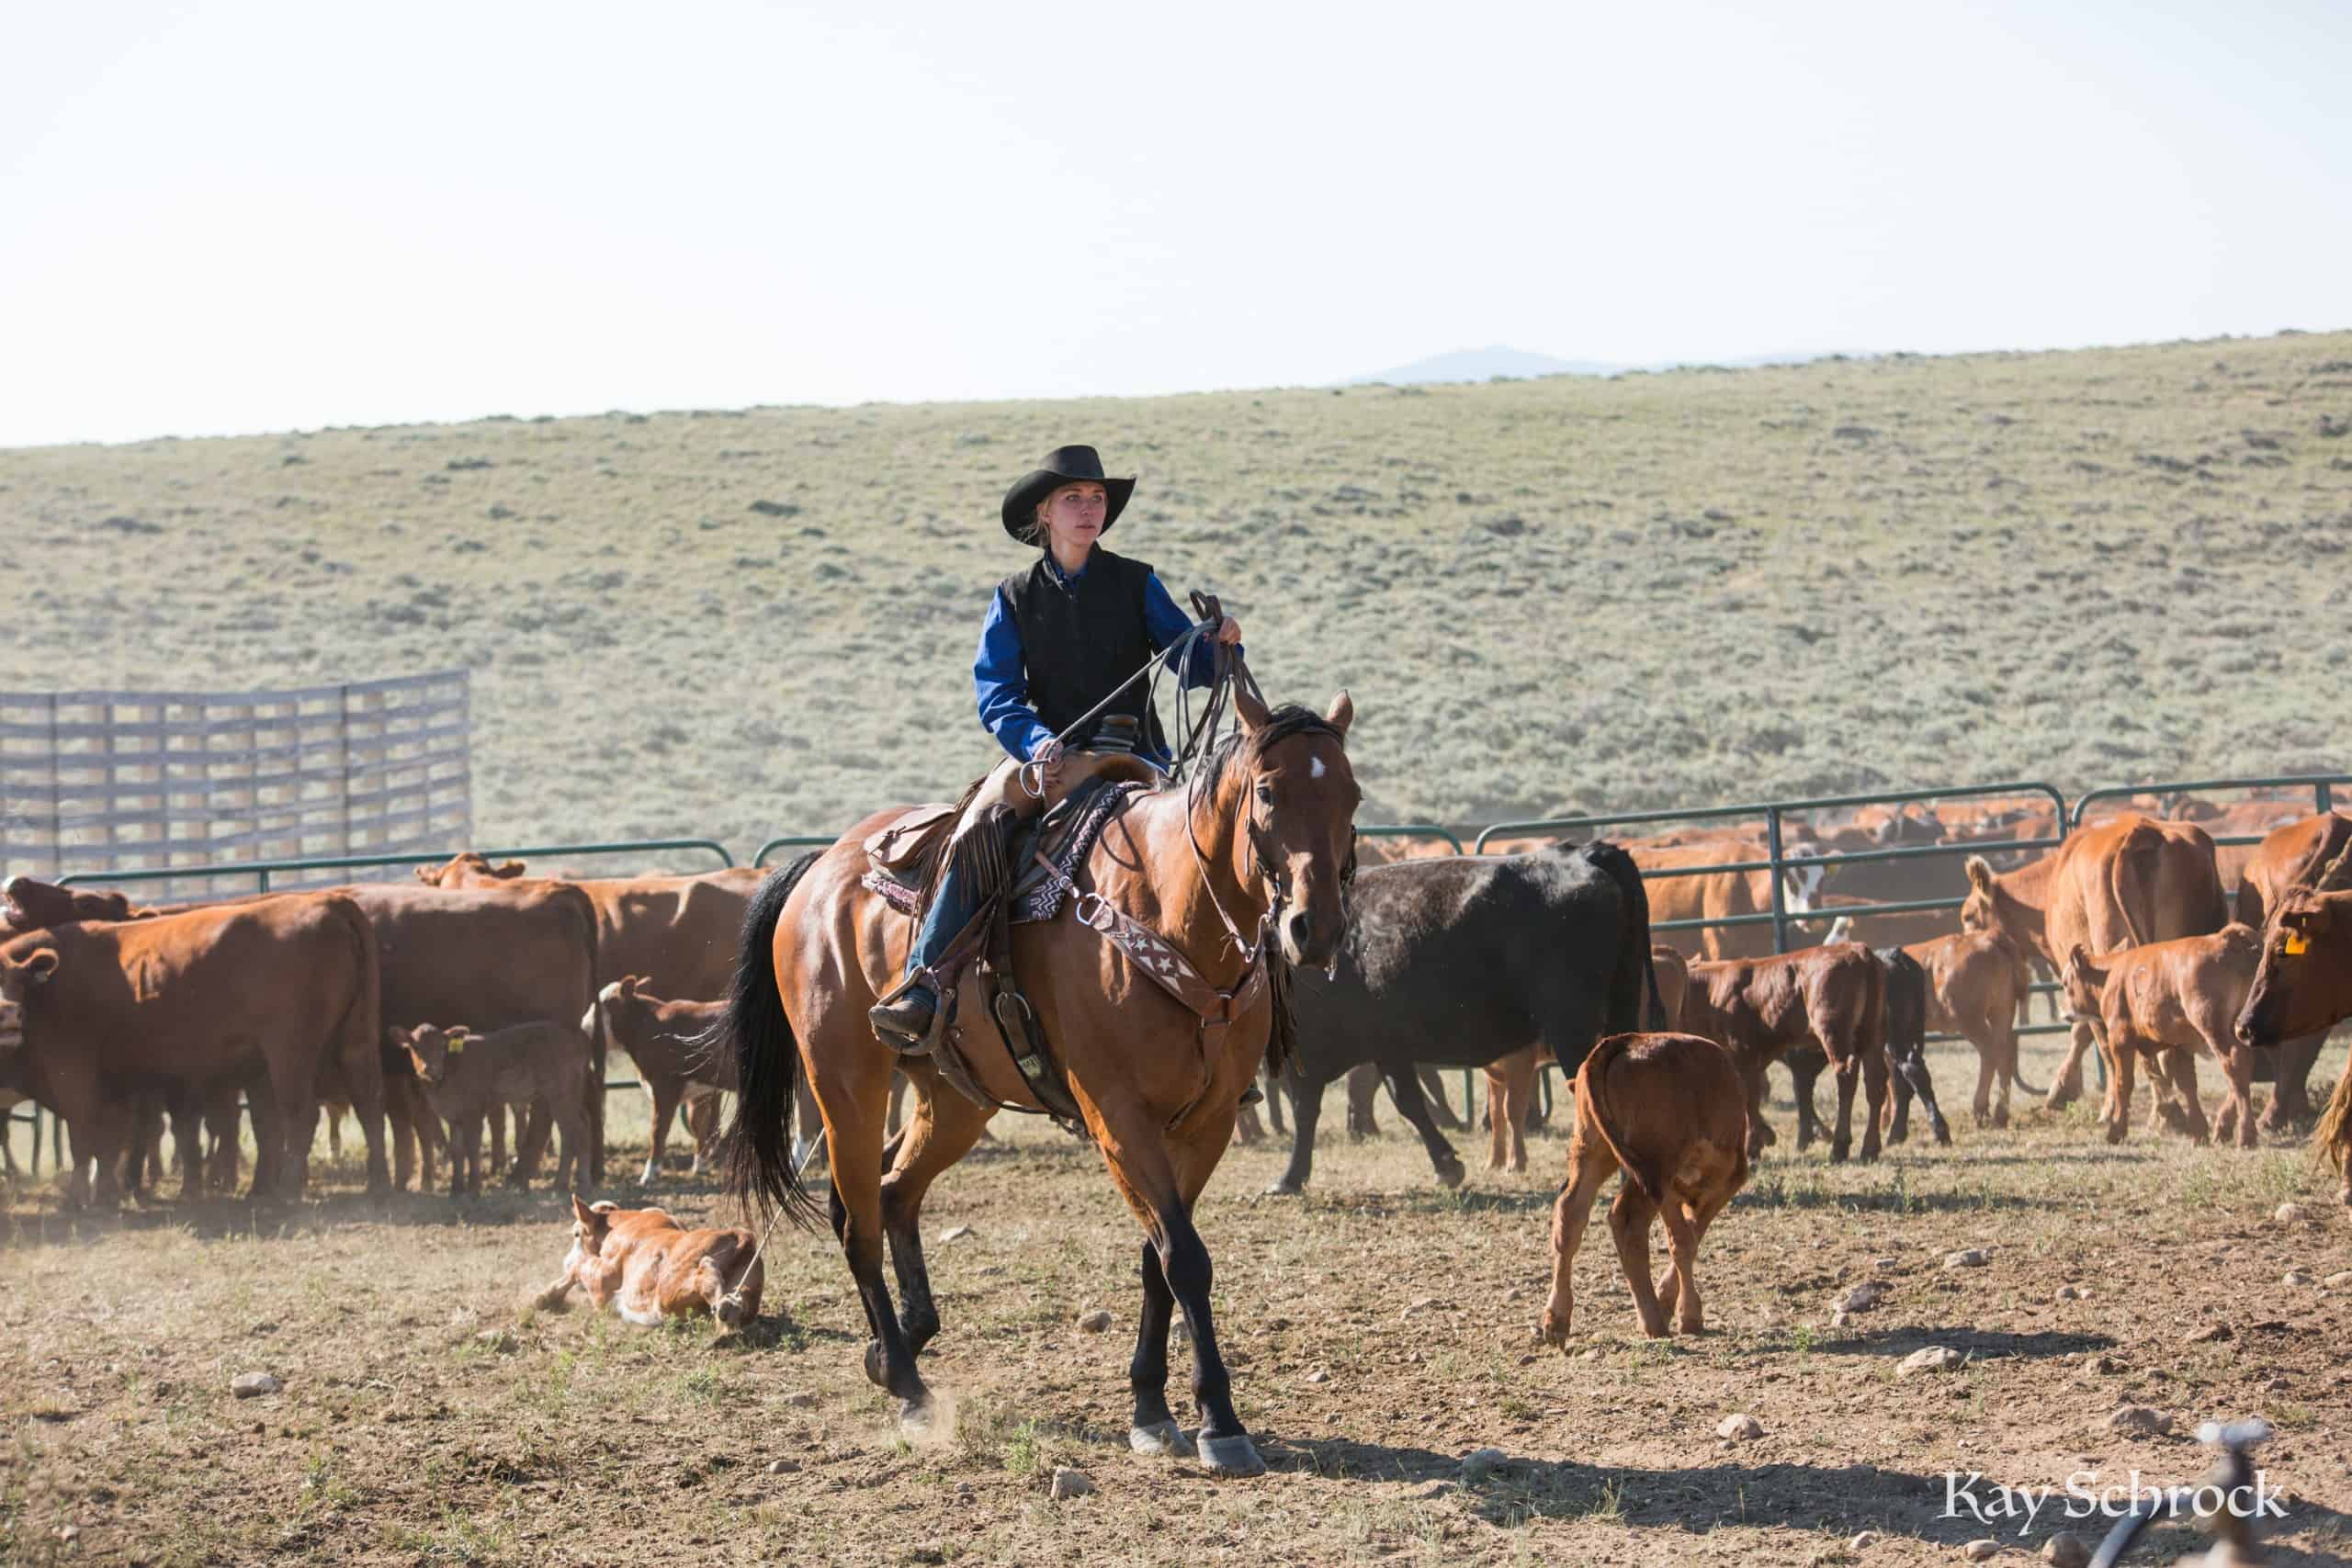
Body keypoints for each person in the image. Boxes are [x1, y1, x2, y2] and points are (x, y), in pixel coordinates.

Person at [867, 445, 1242, 1053]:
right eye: (1073, 498)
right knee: (979, 828)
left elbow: (1190, 660)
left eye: (1097, 498)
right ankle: (926, 981)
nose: (1088, 508)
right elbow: (997, 695)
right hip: (1050, 760)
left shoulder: (1136, 581)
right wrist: (1038, 743)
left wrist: (1221, 645)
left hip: (1139, 758)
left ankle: (1241, 1016)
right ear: (1044, 513)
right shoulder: (1013, 597)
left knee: (1211, 842)